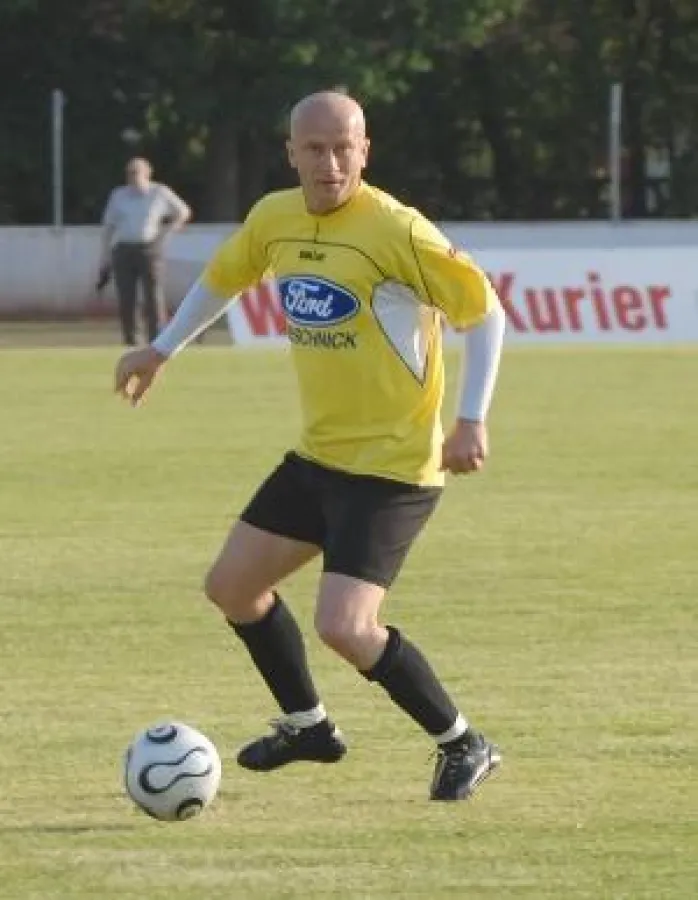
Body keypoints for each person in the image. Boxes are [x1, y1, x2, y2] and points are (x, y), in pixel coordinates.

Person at [114, 91, 506, 802]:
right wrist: (162, 348)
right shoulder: (275, 217)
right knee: (231, 587)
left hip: (391, 470)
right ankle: (310, 728)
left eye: (344, 147)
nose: (331, 163)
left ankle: (464, 743)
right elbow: (225, 278)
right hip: (320, 457)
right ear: (291, 153)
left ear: (366, 150)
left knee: (345, 627)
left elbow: (486, 312)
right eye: (316, 148)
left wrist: (471, 419)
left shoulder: (396, 229)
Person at [100, 157, 191, 345]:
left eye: (136, 173)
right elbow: (108, 226)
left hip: (150, 247)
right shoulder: (119, 195)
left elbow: (183, 211)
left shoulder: (159, 192)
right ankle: (132, 340)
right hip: (124, 248)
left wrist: (169, 229)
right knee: (127, 297)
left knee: (153, 296)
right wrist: (104, 255)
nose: (132, 177)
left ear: (147, 174)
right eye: (129, 173)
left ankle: (158, 339)